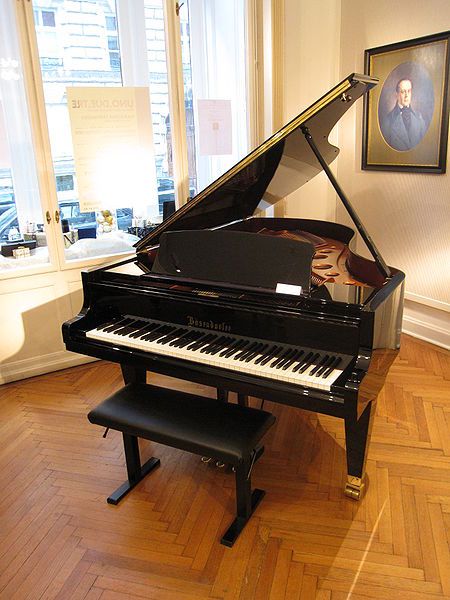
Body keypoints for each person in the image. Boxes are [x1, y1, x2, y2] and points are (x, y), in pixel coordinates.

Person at [380, 78, 427, 151]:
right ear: (397, 94)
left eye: (409, 91)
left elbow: (424, 147)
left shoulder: (419, 118)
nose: (406, 95)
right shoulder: (388, 121)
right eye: (403, 92)